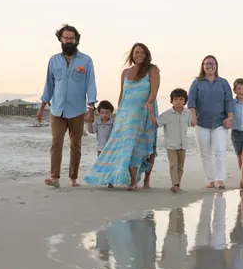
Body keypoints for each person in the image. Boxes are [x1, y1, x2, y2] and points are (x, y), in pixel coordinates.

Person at [83, 43, 159, 191]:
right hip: (126, 115)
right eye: (136, 52)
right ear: (132, 55)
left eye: (142, 52)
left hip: (144, 112)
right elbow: (122, 95)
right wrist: (118, 115)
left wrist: (148, 105)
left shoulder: (152, 70)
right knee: (127, 145)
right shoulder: (125, 73)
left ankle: (147, 179)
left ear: (147, 54)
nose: (139, 55)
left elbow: (154, 92)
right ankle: (127, 180)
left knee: (147, 145)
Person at [37, 24, 97, 188]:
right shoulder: (53, 60)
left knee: (75, 145)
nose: (69, 41)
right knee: (56, 143)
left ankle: (73, 178)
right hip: (57, 109)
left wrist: (91, 108)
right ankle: (55, 177)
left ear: (76, 40)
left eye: (72, 38)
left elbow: (90, 84)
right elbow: (49, 85)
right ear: (61, 39)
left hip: (77, 109)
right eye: (66, 38)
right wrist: (42, 107)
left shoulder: (86, 61)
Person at [188, 55, 234, 189]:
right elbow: (191, 101)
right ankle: (210, 180)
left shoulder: (223, 82)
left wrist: (230, 117)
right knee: (205, 153)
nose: (209, 66)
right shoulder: (197, 82)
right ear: (202, 66)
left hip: (220, 123)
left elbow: (229, 101)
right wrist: (193, 116)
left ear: (216, 65)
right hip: (201, 123)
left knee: (219, 150)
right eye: (207, 63)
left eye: (212, 63)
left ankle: (220, 179)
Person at [158, 88, 192, 193]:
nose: (178, 101)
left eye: (181, 99)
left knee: (180, 167)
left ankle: (178, 184)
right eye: (176, 99)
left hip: (183, 144)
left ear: (185, 101)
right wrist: (150, 113)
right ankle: (175, 184)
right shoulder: (167, 114)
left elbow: (191, 124)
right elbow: (157, 123)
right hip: (171, 145)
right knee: (173, 165)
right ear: (172, 101)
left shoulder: (188, 113)